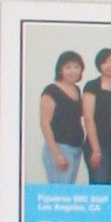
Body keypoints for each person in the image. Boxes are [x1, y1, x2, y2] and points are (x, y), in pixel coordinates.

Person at [39, 50, 89, 182]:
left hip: (76, 147)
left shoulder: (77, 89)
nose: (73, 71)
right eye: (68, 67)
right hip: (59, 147)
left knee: (69, 190)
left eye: (76, 67)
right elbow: (45, 123)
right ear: (60, 70)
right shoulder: (51, 90)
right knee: (59, 190)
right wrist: (56, 155)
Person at [84, 47, 111, 184]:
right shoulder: (92, 86)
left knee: (109, 186)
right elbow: (88, 119)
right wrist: (96, 150)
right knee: (98, 186)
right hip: (97, 144)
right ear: (99, 65)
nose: (109, 65)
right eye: (104, 62)